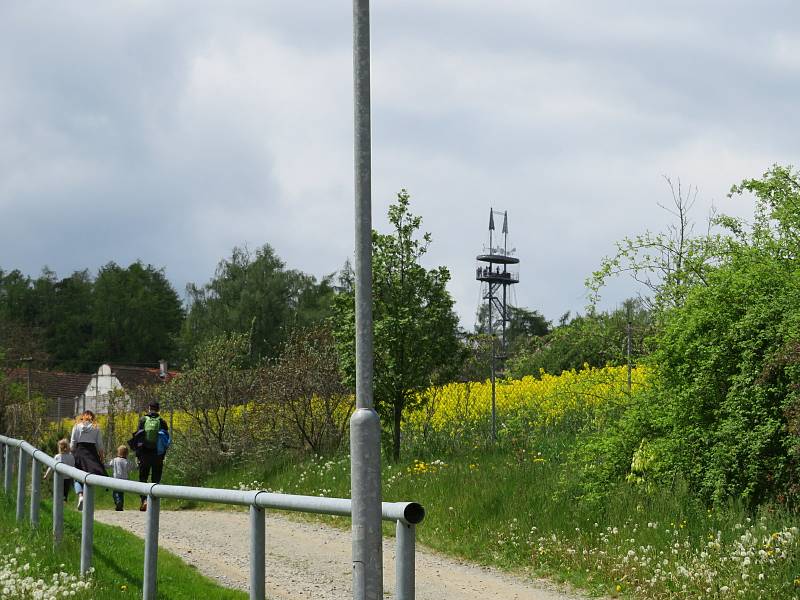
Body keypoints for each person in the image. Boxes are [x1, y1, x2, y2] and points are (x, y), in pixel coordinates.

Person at [132, 401, 169, 512]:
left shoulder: (143, 420)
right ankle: (153, 503)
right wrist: (163, 455)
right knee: (156, 478)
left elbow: (138, 438)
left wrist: (137, 455)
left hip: (144, 453)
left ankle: (144, 500)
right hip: (157, 454)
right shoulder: (162, 422)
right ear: (158, 409)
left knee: (143, 477)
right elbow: (165, 440)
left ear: (149, 408)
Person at [70, 410, 106, 511]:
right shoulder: (96, 427)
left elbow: (72, 444)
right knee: (90, 477)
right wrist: (101, 457)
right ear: (92, 418)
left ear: (82, 417)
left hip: (79, 452)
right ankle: (87, 500)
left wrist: (72, 454)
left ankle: (81, 495)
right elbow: (100, 445)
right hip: (92, 454)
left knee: (77, 477)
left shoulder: (76, 426)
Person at [107, 445, 136, 511]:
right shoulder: (127, 461)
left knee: (116, 492)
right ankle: (120, 505)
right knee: (121, 493)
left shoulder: (115, 460)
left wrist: (102, 464)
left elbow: (108, 465)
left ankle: (118, 502)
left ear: (118, 453)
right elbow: (132, 467)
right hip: (124, 480)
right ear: (127, 454)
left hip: (116, 479)